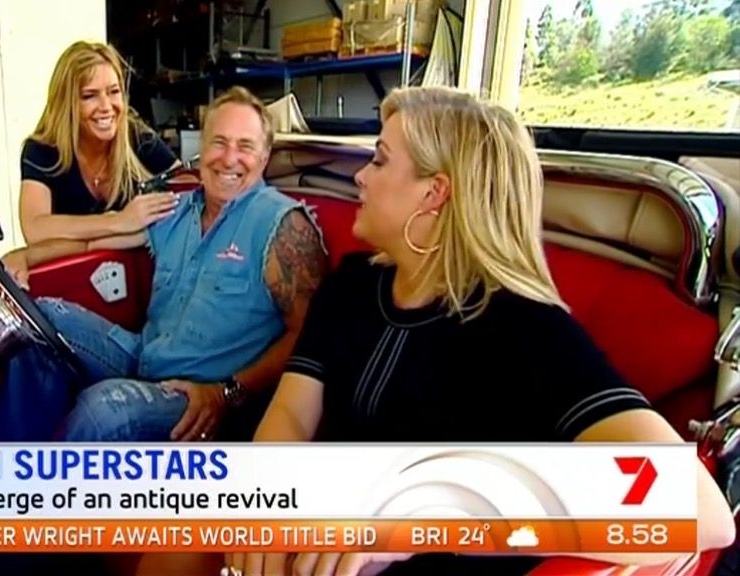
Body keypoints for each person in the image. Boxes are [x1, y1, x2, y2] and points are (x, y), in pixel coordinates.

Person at [212, 86, 735, 575]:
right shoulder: (352, 286)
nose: (361, 178)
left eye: (380, 160)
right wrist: (266, 496)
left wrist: (426, 507)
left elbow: (701, 508)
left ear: (434, 193)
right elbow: (291, 414)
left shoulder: (528, 327)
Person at [0, 85, 329, 446]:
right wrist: (26, 256)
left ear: (265, 156)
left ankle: (47, 479)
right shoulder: (175, 209)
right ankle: (9, 469)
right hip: (146, 358)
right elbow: (91, 242)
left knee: (102, 411)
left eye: (245, 146)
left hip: (202, 393)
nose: (229, 159)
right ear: (200, 147)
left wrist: (226, 392)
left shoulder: (282, 225)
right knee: (35, 320)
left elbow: (310, 338)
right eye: (219, 142)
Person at [17, 40, 181, 249]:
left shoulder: (138, 137)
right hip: (73, 269)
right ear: (66, 103)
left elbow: (190, 189)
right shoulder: (43, 149)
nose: (106, 106)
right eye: (89, 96)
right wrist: (120, 221)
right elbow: (35, 229)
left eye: (114, 92)